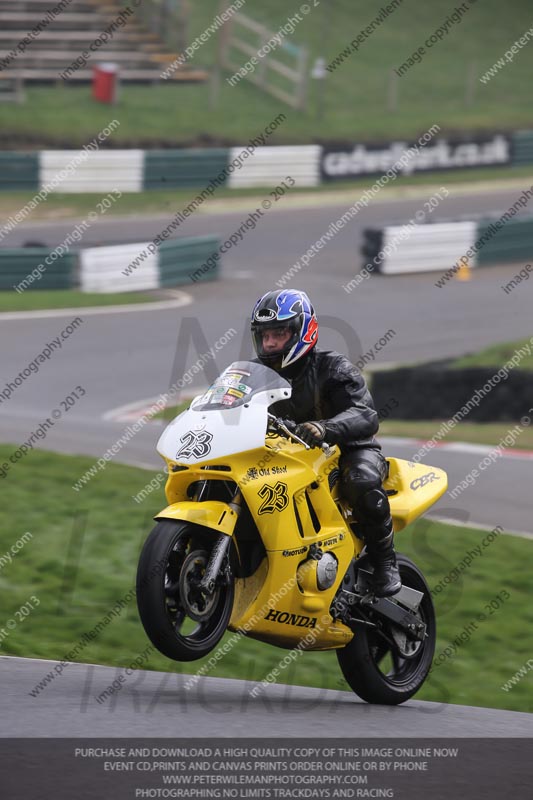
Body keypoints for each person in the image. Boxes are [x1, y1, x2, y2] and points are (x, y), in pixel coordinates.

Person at [250, 288, 401, 597]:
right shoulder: (256, 373)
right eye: (264, 335)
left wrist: (324, 428)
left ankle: (385, 562)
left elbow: (366, 415)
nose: (270, 343)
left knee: (360, 482)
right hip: (285, 456)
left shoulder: (333, 368)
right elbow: (227, 401)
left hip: (346, 452)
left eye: (278, 333)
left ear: (302, 331)